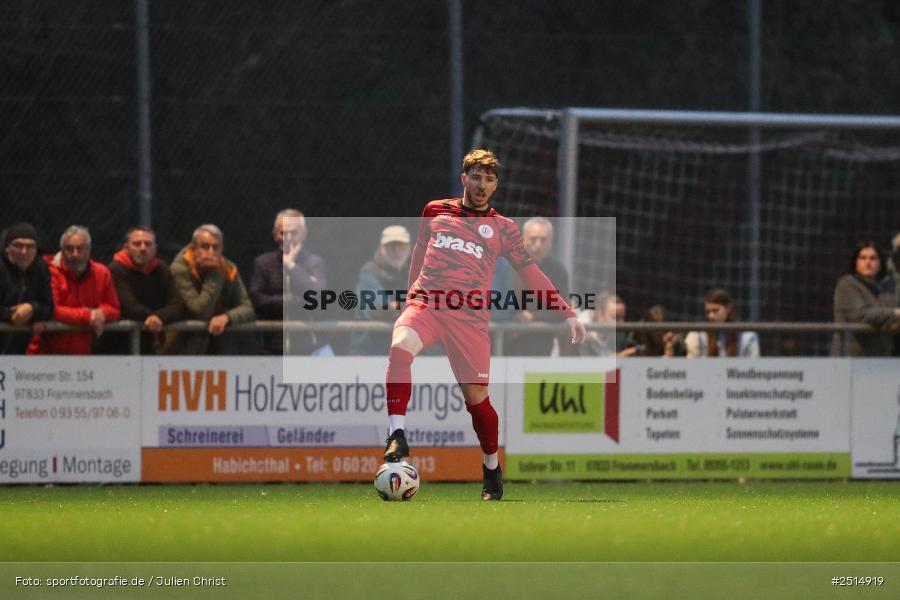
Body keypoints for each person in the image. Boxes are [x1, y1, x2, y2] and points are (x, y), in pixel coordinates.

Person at [382, 149, 586, 501]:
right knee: (401, 345)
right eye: (475, 177)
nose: (482, 185)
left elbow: (531, 273)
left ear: (495, 185)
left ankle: (491, 467)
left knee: (477, 400)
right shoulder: (435, 210)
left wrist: (566, 309)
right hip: (428, 303)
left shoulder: (504, 229)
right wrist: (409, 292)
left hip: (469, 319)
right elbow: (419, 251)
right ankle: (396, 434)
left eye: (489, 179)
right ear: (464, 178)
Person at [27, 226, 120, 355]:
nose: (75, 254)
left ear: (89, 250)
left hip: (82, 355)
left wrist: (101, 313)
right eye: (70, 249)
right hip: (44, 354)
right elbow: (51, 309)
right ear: (62, 250)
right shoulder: (48, 271)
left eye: (80, 248)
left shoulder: (102, 273)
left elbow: (114, 308)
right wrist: (89, 316)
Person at [249, 210, 327, 355]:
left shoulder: (314, 262)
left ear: (304, 234)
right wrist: (293, 300)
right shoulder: (263, 263)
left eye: (294, 233)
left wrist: (291, 266)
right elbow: (257, 301)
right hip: (273, 348)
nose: (288, 238)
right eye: (283, 233)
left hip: (310, 348)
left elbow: (320, 299)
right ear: (275, 234)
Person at [169, 224, 255, 355]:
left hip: (218, 346)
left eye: (216, 248)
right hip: (180, 346)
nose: (211, 253)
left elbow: (248, 307)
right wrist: (215, 273)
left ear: (222, 249)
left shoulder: (229, 268)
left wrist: (227, 317)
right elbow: (200, 312)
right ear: (194, 249)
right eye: (205, 247)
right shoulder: (179, 269)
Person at [104, 227, 185, 354]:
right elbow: (127, 305)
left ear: (155, 247)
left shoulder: (162, 268)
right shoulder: (115, 269)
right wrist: (150, 317)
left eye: (148, 244)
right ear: (126, 247)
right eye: (136, 244)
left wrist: (159, 317)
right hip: (119, 346)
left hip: (153, 345)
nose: (143, 248)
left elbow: (178, 304)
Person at [503, 217, 572, 356]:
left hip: (542, 347)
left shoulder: (557, 271)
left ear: (550, 243)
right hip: (506, 347)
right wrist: (514, 318)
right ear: (522, 240)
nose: (538, 244)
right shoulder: (506, 267)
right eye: (533, 239)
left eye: (543, 239)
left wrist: (531, 316)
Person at [349, 225, 411, 355]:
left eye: (401, 246)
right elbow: (379, 307)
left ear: (409, 248)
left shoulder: (412, 272)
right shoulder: (369, 272)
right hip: (368, 352)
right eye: (391, 246)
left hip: (403, 351)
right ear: (381, 249)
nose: (397, 252)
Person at [832, 240, 900, 356]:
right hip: (851, 362)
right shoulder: (847, 284)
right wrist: (895, 314)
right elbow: (860, 315)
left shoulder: (888, 287)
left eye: (873, 258)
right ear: (855, 262)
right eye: (862, 258)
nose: (868, 262)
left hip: (883, 360)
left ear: (880, 263)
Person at [0, 223, 54, 354]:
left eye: (30, 246)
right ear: (7, 248)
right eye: (18, 245)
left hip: (17, 355)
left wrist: (32, 309)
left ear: (36, 250)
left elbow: (49, 307)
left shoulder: (41, 268)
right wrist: (11, 315)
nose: (24, 251)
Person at [685, 288, 759, 358]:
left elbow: (754, 366)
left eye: (716, 310)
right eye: (708, 312)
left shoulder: (747, 335)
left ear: (728, 308)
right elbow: (691, 366)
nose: (711, 316)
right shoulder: (697, 334)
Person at [578, 293, 636, 357]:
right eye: (615, 317)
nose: (621, 323)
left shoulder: (613, 334)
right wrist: (620, 356)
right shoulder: (580, 333)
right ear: (600, 315)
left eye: (622, 317)